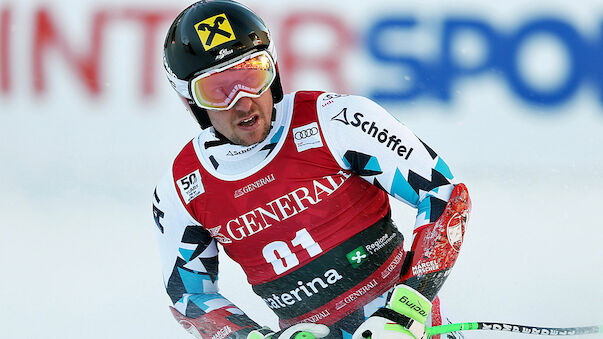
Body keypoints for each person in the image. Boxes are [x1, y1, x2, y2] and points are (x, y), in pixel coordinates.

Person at [152, 1, 471, 339]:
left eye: (253, 75)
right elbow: (188, 294)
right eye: (218, 91)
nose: (243, 101)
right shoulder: (181, 189)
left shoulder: (337, 121)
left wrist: (407, 311)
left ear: (273, 69)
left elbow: (445, 195)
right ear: (191, 101)